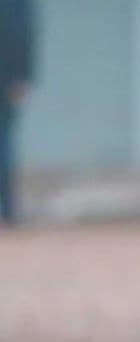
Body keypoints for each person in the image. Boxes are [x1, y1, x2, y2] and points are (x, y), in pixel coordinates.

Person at [0, 0, 33, 224]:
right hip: (8, 77)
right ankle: (9, 208)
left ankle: (9, 207)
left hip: (6, 77)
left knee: (4, 142)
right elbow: (22, 34)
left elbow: (22, 34)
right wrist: (21, 75)